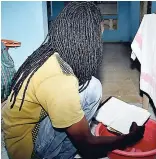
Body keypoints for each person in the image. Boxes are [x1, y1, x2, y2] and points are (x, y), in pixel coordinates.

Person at [2, 2, 145, 159]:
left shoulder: (53, 54)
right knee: (89, 94)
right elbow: (88, 148)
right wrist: (129, 139)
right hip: (28, 150)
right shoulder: (61, 81)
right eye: (99, 36)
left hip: (24, 129)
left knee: (92, 86)